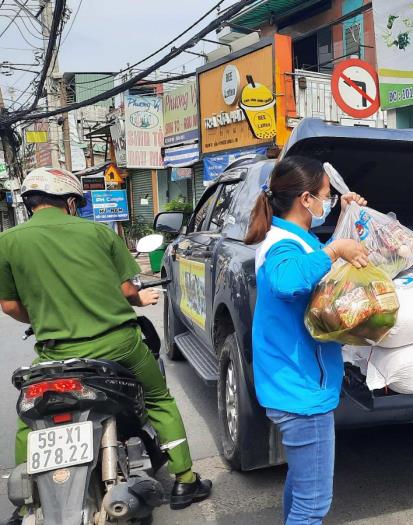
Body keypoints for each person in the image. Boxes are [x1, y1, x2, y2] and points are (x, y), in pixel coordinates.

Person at [0, 167, 211, 517]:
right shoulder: (99, 233)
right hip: (118, 346)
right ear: (70, 202)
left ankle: (26, 505)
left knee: (31, 417)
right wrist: (138, 301)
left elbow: (9, 305)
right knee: (158, 399)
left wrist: (41, 318)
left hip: (56, 353)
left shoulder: (8, 241)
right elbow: (128, 289)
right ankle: (185, 478)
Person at [245, 156, 369, 524]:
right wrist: (334, 250)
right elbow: (289, 281)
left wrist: (347, 220)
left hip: (293, 382)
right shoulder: (283, 246)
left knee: (301, 488)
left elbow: (316, 267)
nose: (327, 202)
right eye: (326, 196)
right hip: (300, 391)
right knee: (313, 505)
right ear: (305, 199)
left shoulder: (294, 239)